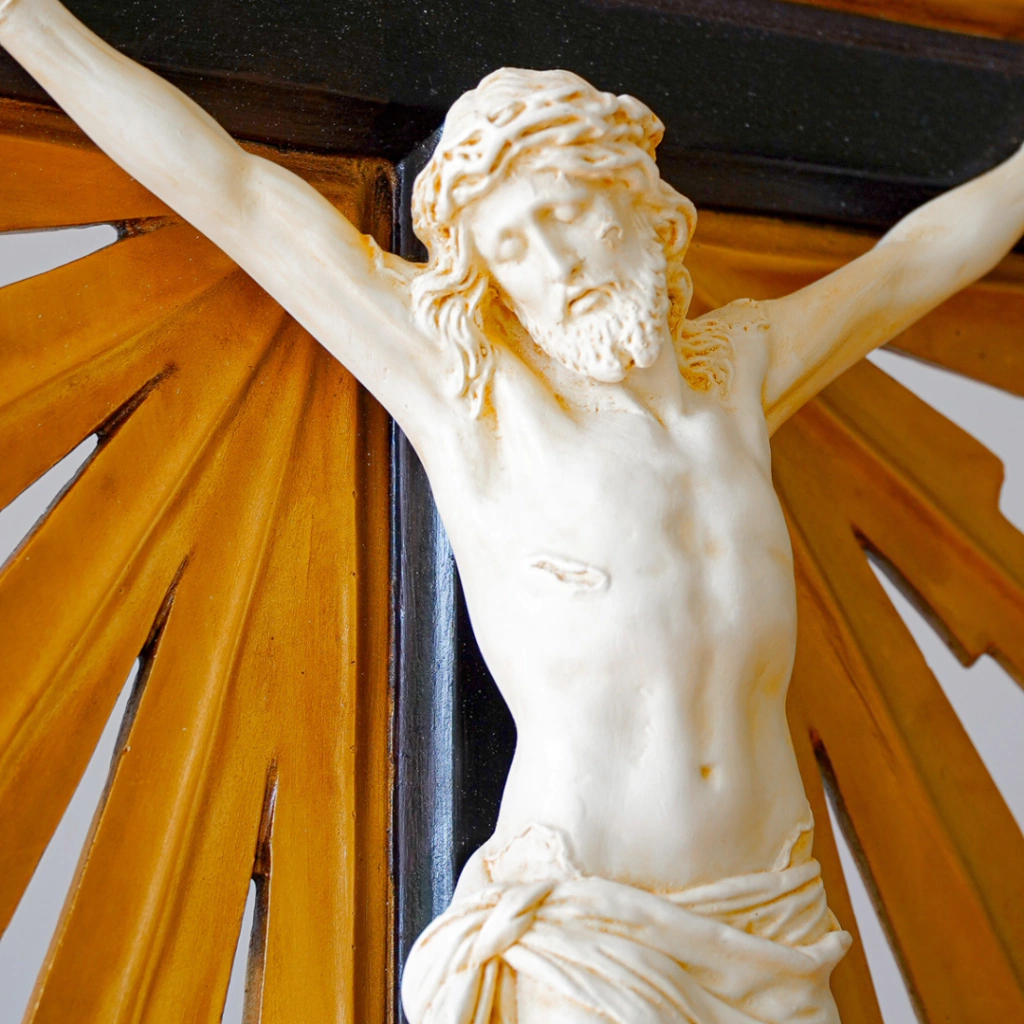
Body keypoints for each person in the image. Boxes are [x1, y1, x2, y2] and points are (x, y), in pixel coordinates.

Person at [4, 2, 1024, 1020]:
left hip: (774, 923)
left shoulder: (740, 371)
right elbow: (235, 194)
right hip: (589, 934)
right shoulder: (476, 394)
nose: (557, 264)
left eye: (567, 212)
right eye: (513, 247)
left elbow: (912, 262)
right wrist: (27, 21)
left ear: (633, 198)